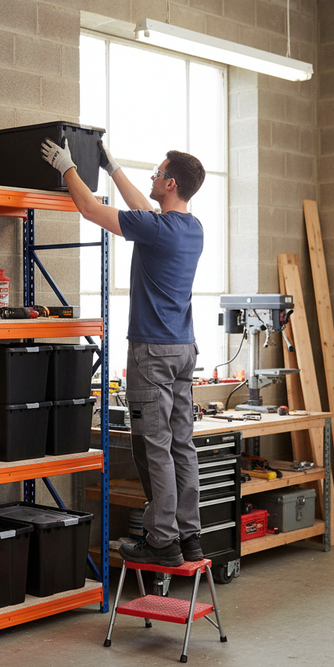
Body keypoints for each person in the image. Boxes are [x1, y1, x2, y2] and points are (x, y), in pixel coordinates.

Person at [41, 137, 206, 567]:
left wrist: (68, 168)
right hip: (184, 351)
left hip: (152, 353)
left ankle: (162, 540)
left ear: (170, 183)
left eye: (156, 173)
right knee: (181, 446)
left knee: (154, 447)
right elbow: (146, 213)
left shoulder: (157, 229)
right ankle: (189, 535)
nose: (152, 177)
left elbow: (92, 211)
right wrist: (112, 168)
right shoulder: (190, 228)